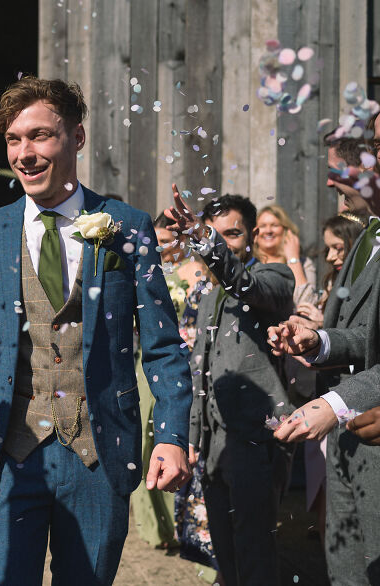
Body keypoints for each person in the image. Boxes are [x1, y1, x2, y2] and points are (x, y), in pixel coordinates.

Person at [0, 77, 192, 585]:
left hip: (98, 456)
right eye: (14, 140)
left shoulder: (126, 225)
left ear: (77, 137)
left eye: (40, 136)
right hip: (7, 455)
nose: (25, 153)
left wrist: (172, 435)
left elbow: (162, 345)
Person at [166, 190, 295, 585]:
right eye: (215, 235)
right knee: (224, 554)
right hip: (211, 443)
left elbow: (244, 285)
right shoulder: (206, 297)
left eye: (232, 235)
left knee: (254, 550)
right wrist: (190, 436)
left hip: (256, 440)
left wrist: (205, 240)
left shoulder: (275, 278)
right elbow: (197, 368)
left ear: (253, 235)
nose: (223, 244)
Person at [267, 135, 380, 585]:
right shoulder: (368, 234)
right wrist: (316, 341)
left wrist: (335, 404)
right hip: (349, 441)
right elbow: (364, 335)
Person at [131, 214, 203, 550]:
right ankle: (154, 527)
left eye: (169, 239)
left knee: (179, 438)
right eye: (157, 241)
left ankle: (183, 524)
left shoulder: (194, 273)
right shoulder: (142, 271)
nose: (162, 247)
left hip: (184, 363)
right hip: (145, 365)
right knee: (145, 439)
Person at [254, 204, 317, 306]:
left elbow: (306, 304)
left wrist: (293, 259)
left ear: (286, 230)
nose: (268, 230)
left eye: (274, 225)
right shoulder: (250, 262)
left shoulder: (304, 264)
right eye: (262, 226)